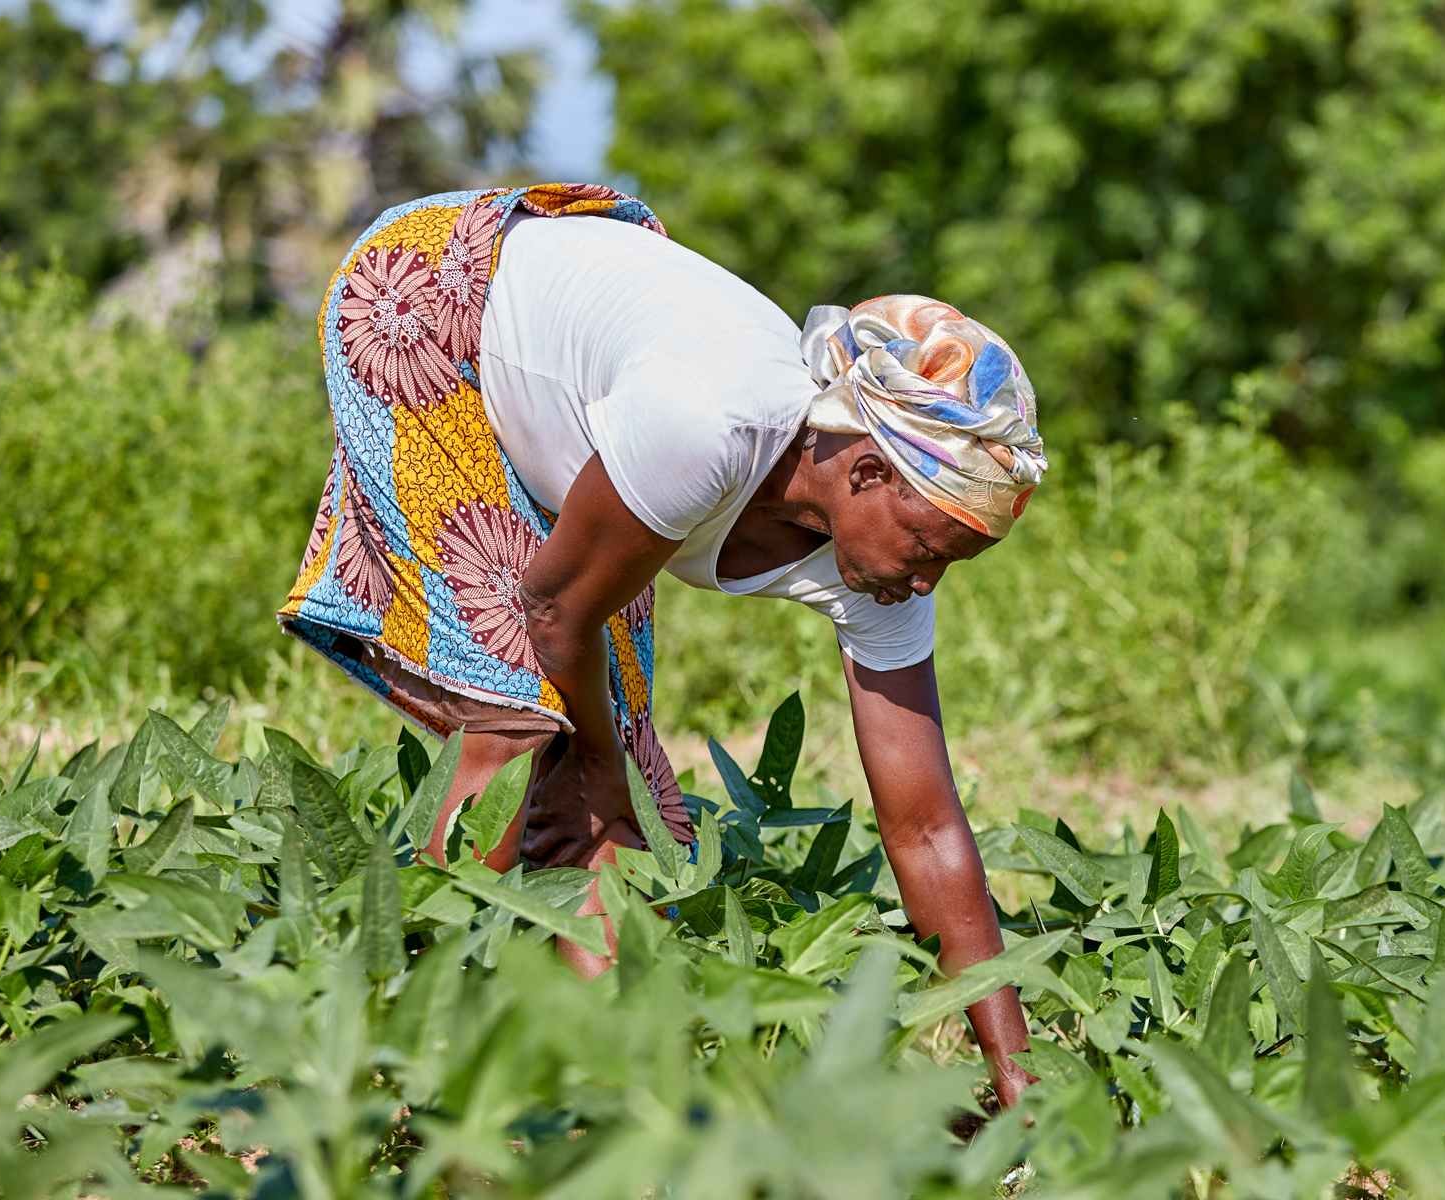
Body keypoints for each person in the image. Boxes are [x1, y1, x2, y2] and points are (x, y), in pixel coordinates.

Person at [278, 182, 1045, 1106]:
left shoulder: (881, 569)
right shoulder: (709, 426)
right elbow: (556, 607)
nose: (927, 583)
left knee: (619, 804)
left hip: (594, 411)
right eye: (928, 548)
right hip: (444, 298)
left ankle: (606, 1090)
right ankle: (397, 1062)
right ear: (869, 469)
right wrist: (592, 756)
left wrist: (1019, 1078)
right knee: (519, 716)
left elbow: (923, 825)